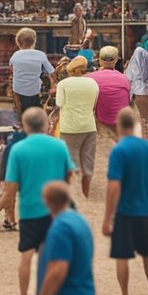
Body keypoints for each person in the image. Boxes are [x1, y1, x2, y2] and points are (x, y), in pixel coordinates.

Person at [0, 107, 74, 295]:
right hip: (55, 210)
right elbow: (69, 174)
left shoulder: (19, 149)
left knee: (26, 256)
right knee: (54, 256)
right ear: (47, 126)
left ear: (26, 127)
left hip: (29, 209)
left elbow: (11, 186)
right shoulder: (59, 146)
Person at [102, 107, 148, 295]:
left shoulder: (119, 150)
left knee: (122, 255)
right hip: (146, 208)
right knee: (147, 253)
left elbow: (114, 186)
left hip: (125, 211)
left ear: (120, 125)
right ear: (136, 124)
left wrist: (107, 217)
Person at [56, 56, 100, 197]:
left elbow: (59, 104)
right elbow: (94, 105)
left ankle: (75, 196)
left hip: (69, 127)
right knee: (88, 161)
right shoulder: (93, 83)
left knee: (72, 161)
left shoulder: (63, 84)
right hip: (89, 126)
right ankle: (86, 193)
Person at [9, 28, 55, 113]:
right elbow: (51, 71)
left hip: (18, 90)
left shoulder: (15, 56)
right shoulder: (41, 55)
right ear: (34, 42)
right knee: (44, 77)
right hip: (35, 91)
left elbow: (12, 70)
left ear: (18, 42)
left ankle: (19, 114)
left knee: (14, 82)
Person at [90, 46, 130, 136]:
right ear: (116, 60)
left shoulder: (89, 79)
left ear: (99, 60)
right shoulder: (124, 79)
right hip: (121, 124)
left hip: (97, 125)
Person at [124, 36, 148, 136]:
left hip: (135, 89)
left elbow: (132, 73)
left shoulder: (139, 52)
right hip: (146, 91)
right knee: (144, 121)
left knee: (130, 119)